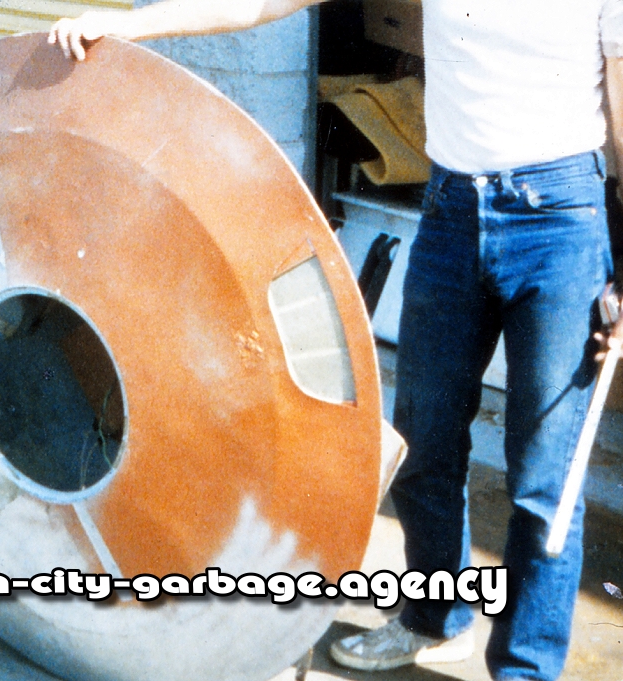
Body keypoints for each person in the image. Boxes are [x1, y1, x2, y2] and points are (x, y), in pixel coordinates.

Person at [50, 2, 623, 680]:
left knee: (544, 480)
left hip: (560, 220)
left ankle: (526, 669)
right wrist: (128, 25)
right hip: (451, 213)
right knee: (424, 444)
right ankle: (434, 618)